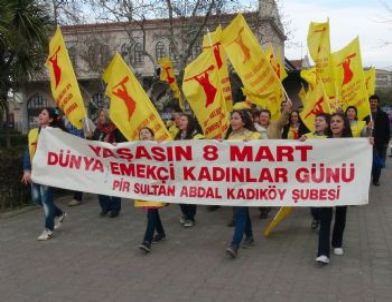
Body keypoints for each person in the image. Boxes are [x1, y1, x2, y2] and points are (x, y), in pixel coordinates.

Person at [315, 113, 373, 265]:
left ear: (344, 125)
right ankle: (322, 252)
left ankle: (337, 242)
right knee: (325, 217)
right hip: (326, 185)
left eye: (338, 121)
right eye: (332, 121)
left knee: (341, 214)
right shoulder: (322, 142)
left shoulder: (353, 143)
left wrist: (368, 142)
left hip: (343, 185)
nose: (334, 124)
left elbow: (361, 159)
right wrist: (302, 142)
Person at [21, 107, 67, 241]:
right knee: (36, 199)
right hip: (35, 171)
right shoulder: (33, 132)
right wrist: (26, 170)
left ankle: (48, 229)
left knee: (46, 201)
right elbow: (27, 152)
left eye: (44, 114)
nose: (40, 115)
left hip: (48, 173)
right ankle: (60, 214)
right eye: (40, 113)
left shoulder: (56, 133)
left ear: (51, 119)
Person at [225, 110, 262, 259]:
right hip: (234, 180)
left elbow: (265, 154)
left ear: (244, 121)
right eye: (231, 118)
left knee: (240, 210)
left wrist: (252, 146)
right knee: (241, 210)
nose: (232, 121)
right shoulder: (230, 136)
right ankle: (250, 237)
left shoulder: (255, 136)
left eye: (236, 118)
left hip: (249, 181)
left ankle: (235, 244)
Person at [136, 127, 167, 253]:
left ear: (152, 136)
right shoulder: (136, 149)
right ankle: (161, 233)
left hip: (157, 187)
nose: (144, 135)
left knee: (151, 213)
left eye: (146, 133)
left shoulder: (160, 148)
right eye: (141, 134)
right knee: (152, 211)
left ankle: (147, 241)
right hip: (145, 187)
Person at [300, 113, 331, 231]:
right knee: (313, 204)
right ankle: (316, 217)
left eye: (321, 120)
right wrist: (300, 142)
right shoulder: (307, 137)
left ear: (327, 124)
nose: (317, 122)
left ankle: (323, 224)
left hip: (327, 175)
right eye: (316, 120)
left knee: (323, 202)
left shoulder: (332, 138)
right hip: (311, 175)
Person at [92, 109, 124, 217]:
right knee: (99, 185)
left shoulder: (116, 129)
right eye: (100, 116)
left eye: (102, 115)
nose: (100, 118)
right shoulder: (98, 130)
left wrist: (116, 145)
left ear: (108, 116)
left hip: (113, 162)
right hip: (100, 162)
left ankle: (115, 208)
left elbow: (123, 143)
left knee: (113, 186)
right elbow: (93, 142)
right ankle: (105, 207)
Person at [175, 113, 202, 227]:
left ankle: (190, 217)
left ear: (190, 121)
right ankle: (185, 213)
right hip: (179, 170)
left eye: (183, 120)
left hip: (192, 171)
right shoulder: (177, 136)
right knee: (179, 194)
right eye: (179, 120)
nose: (180, 122)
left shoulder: (197, 136)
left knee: (190, 194)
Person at [368, 95, 390, 186]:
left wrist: (386, 141)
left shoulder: (384, 115)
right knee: (368, 162)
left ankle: (376, 179)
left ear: (378, 103)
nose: (373, 103)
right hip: (367, 143)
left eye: (375, 101)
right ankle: (366, 178)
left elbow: (387, 129)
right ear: (369, 103)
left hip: (380, 143)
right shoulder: (366, 115)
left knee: (378, 162)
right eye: (371, 101)